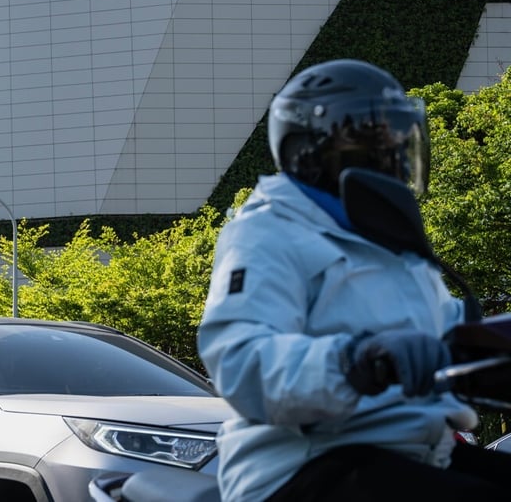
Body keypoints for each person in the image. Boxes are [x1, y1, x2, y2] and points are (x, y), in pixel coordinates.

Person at [197, 58, 511, 501]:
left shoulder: (391, 241)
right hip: (305, 464)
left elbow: (443, 353)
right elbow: (242, 363)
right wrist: (353, 360)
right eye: (368, 134)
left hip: (417, 452)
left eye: (396, 132)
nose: (392, 148)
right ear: (310, 148)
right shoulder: (267, 231)